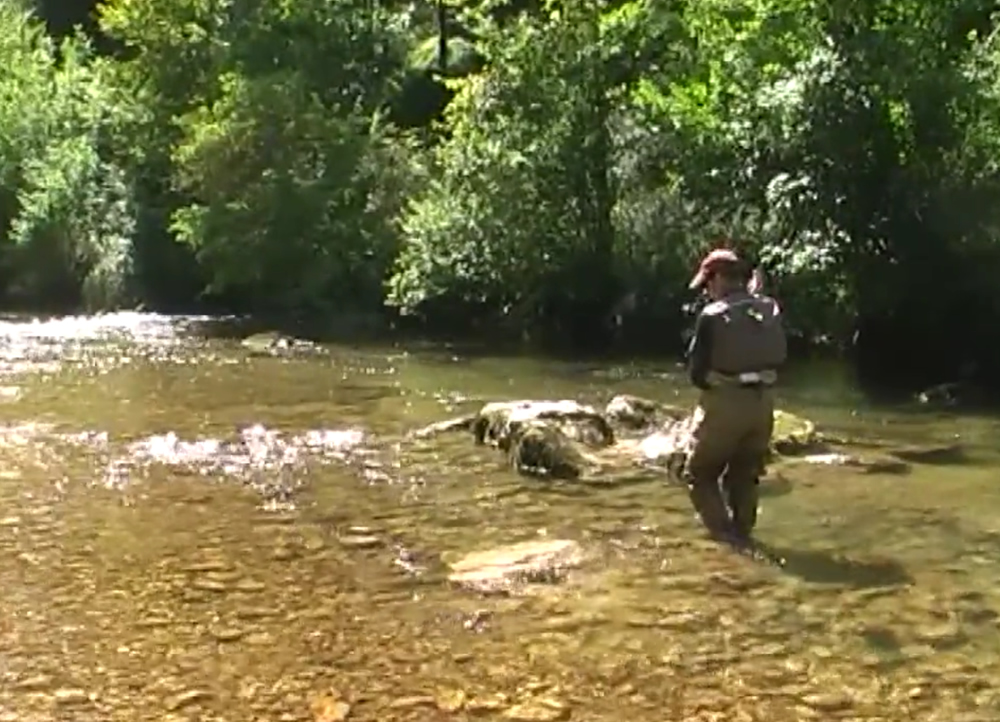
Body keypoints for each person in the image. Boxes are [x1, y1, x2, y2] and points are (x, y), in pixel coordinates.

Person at [684, 248, 787, 545]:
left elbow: (696, 374)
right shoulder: (767, 308)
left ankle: (729, 544)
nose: (706, 291)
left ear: (717, 278)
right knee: (744, 475)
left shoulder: (712, 316)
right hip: (763, 404)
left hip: (726, 404)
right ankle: (745, 536)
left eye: (707, 283)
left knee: (700, 474)